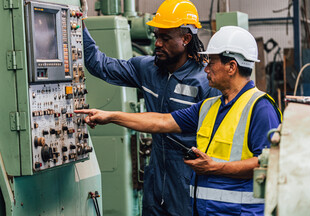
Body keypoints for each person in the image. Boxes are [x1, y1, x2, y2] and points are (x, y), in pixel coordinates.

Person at [76, 26, 282, 216]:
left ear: (231, 67)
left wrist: (214, 167)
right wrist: (110, 116)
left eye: (211, 62)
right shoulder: (209, 107)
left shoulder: (260, 108)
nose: (206, 68)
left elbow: (269, 163)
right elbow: (161, 122)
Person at [79, 0, 220, 215]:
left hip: (188, 175)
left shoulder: (205, 80)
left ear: (185, 38)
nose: (158, 44)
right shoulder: (147, 70)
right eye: (156, 37)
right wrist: (78, 24)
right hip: (156, 173)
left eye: (165, 37)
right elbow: (100, 65)